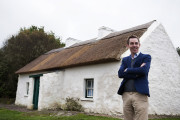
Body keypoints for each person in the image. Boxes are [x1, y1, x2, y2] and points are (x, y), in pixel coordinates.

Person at [117, 35, 151, 120]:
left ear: (139, 44)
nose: (134, 45)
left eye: (136, 43)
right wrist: (137, 71)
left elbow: (144, 71)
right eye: (132, 43)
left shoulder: (145, 57)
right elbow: (120, 74)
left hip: (140, 94)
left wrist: (128, 70)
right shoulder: (125, 60)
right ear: (128, 45)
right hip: (126, 94)